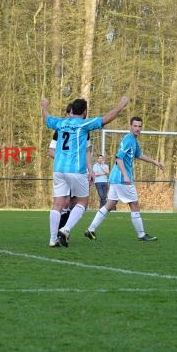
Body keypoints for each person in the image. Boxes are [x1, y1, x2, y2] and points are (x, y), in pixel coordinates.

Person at [42, 96, 129, 247]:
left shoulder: (60, 123)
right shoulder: (84, 125)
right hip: (75, 170)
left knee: (57, 204)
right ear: (84, 112)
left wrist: (44, 105)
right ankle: (66, 229)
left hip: (58, 169)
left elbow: (47, 118)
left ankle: (52, 239)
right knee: (82, 202)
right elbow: (106, 119)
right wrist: (120, 105)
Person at [84, 117, 164, 242]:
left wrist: (154, 161)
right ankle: (141, 234)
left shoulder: (133, 140)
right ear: (130, 126)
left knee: (109, 205)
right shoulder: (128, 139)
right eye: (135, 126)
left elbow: (138, 154)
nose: (137, 128)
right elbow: (119, 158)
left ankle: (91, 229)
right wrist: (126, 175)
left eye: (139, 126)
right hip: (122, 179)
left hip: (115, 178)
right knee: (135, 205)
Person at [47, 104, 93, 233]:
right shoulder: (60, 130)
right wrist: (65, 158)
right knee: (64, 203)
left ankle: (63, 233)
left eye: (70, 113)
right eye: (68, 113)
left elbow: (87, 151)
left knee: (73, 202)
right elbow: (51, 151)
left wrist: (91, 170)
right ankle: (58, 233)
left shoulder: (83, 130)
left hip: (77, 170)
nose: (69, 116)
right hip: (66, 170)